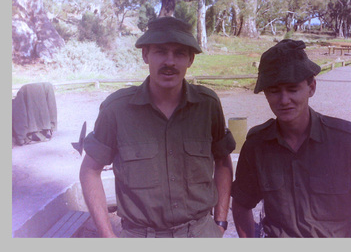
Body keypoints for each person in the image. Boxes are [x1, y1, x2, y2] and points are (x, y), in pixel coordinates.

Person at [79, 16, 235, 238]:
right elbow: (90, 170)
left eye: (179, 53)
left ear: (190, 59)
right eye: (161, 51)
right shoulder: (117, 110)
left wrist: (220, 221)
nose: (169, 62)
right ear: (145, 55)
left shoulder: (207, 105)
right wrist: (107, 237)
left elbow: (222, 162)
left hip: (201, 232)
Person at [231, 39, 351, 238]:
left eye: (293, 89)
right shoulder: (257, 145)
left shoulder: (348, 140)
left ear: (311, 87)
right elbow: (241, 204)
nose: (284, 100)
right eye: (274, 91)